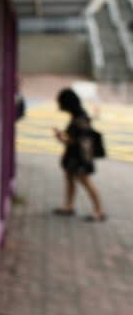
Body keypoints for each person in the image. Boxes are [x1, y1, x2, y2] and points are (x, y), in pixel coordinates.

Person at [52, 88, 106, 222]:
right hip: (75, 156)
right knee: (70, 178)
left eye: (60, 102)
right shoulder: (79, 115)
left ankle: (99, 211)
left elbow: (79, 140)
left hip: (80, 158)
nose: (59, 105)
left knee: (85, 181)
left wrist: (61, 138)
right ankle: (69, 206)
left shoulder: (80, 118)